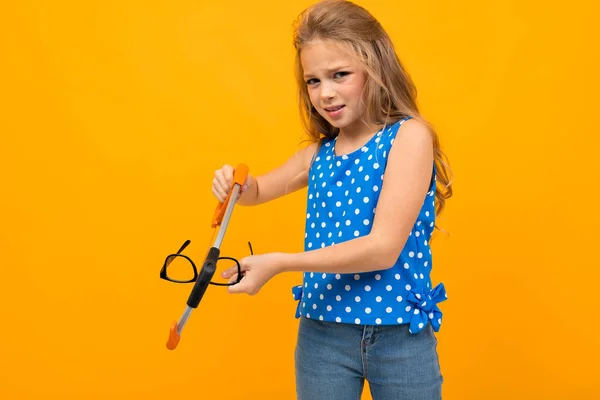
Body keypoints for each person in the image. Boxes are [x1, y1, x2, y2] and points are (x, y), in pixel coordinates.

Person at [212, 1, 453, 398]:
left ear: (374, 68)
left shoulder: (408, 138)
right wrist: (234, 184)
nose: (325, 93)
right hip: (321, 335)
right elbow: (256, 191)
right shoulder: (318, 155)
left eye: (340, 75)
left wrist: (281, 263)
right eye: (313, 81)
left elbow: (382, 249)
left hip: (398, 336)